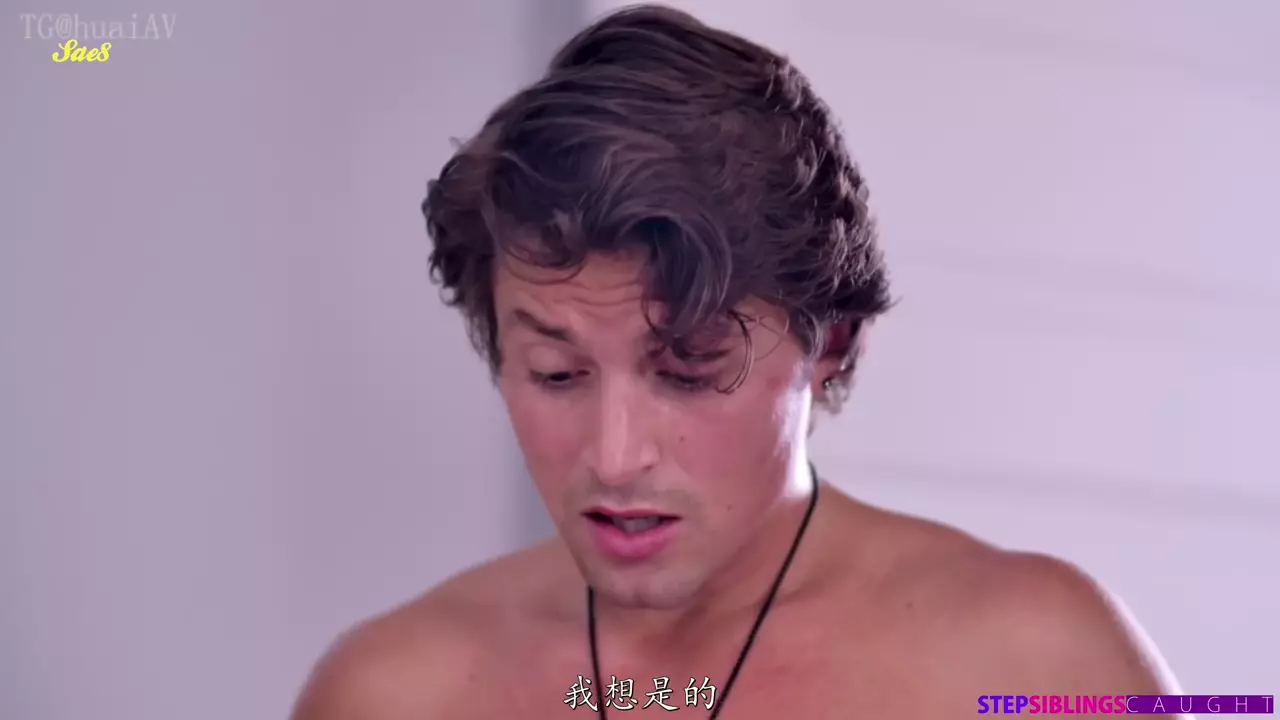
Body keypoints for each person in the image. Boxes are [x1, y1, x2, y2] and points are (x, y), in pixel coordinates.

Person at [291, 5, 1184, 718]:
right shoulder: (393, 692)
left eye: (687, 370)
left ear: (829, 344)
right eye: (557, 373)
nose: (615, 457)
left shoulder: (1034, 668)